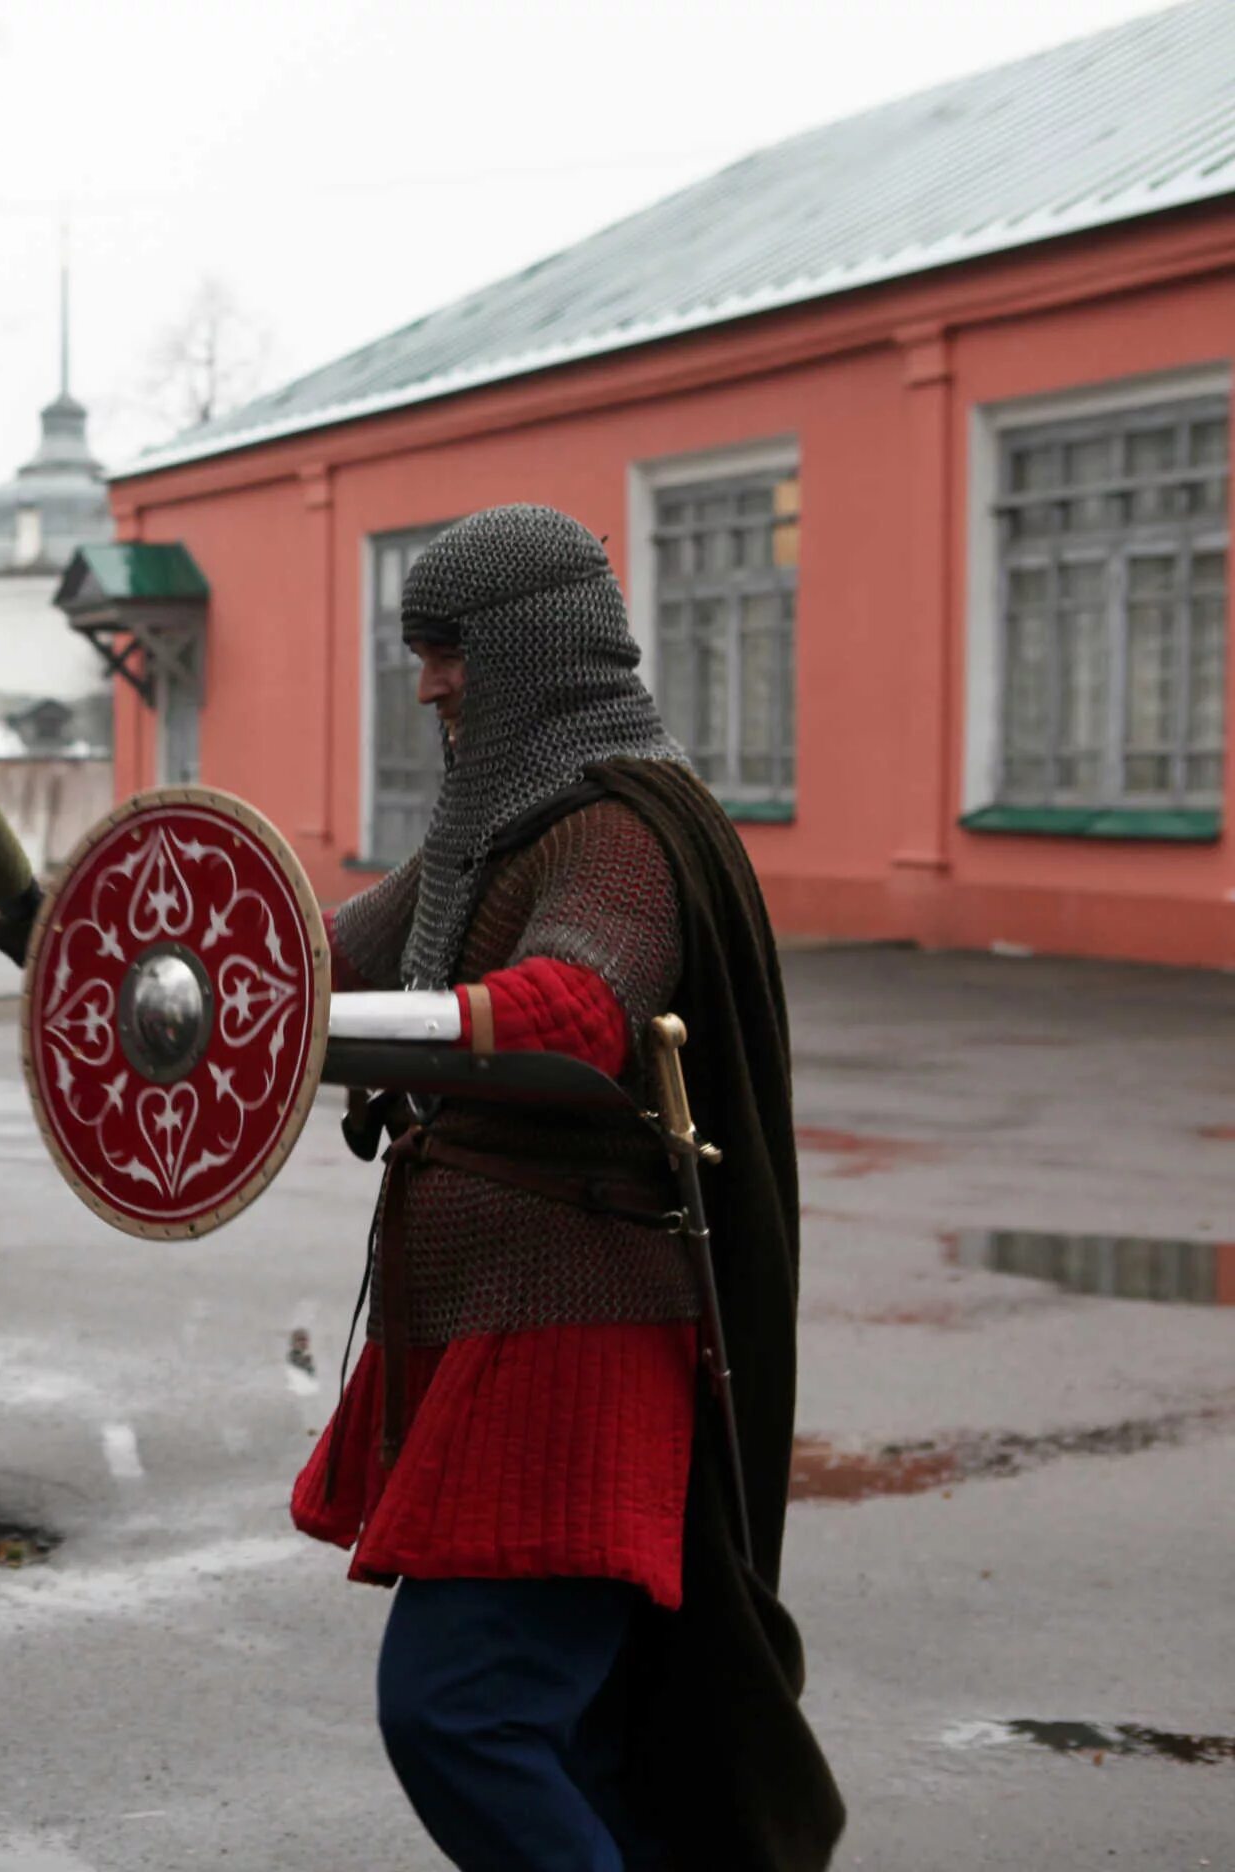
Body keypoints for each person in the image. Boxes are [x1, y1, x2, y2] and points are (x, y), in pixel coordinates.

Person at [288, 506, 842, 1871]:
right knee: (587, 1751)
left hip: (580, 1335)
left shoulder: (623, 833)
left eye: (447, 651)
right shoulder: (494, 826)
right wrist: (110, 939)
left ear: (531, 646)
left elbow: (577, 1009)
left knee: (461, 1713)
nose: (426, 683)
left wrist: (413, 1030)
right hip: (493, 1332)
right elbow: (301, 963)